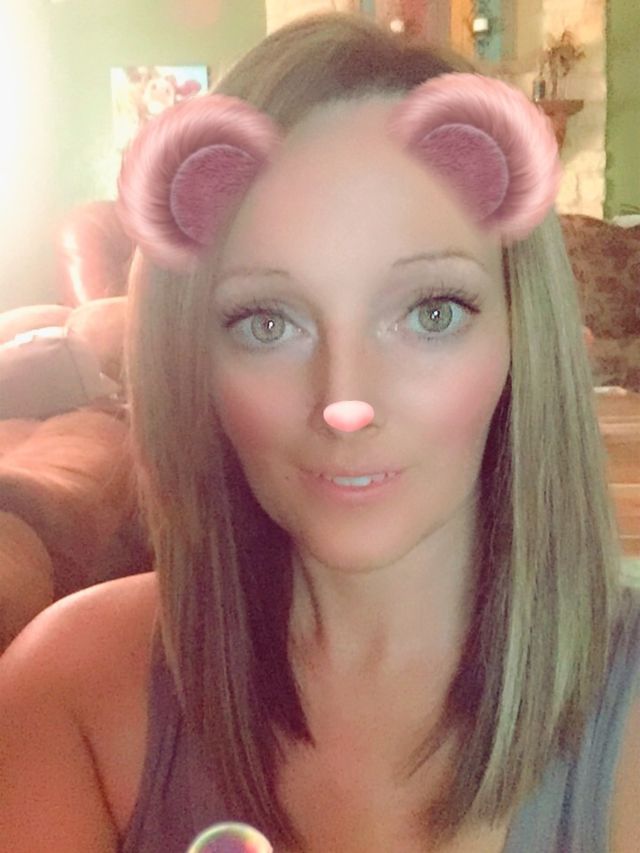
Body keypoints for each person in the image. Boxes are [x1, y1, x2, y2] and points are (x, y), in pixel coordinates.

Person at [1, 12, 639, 853]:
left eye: (432, 311)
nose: (346, 401)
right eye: (268, 321)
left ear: (522, 337)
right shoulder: (68, 692)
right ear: (194, 358)